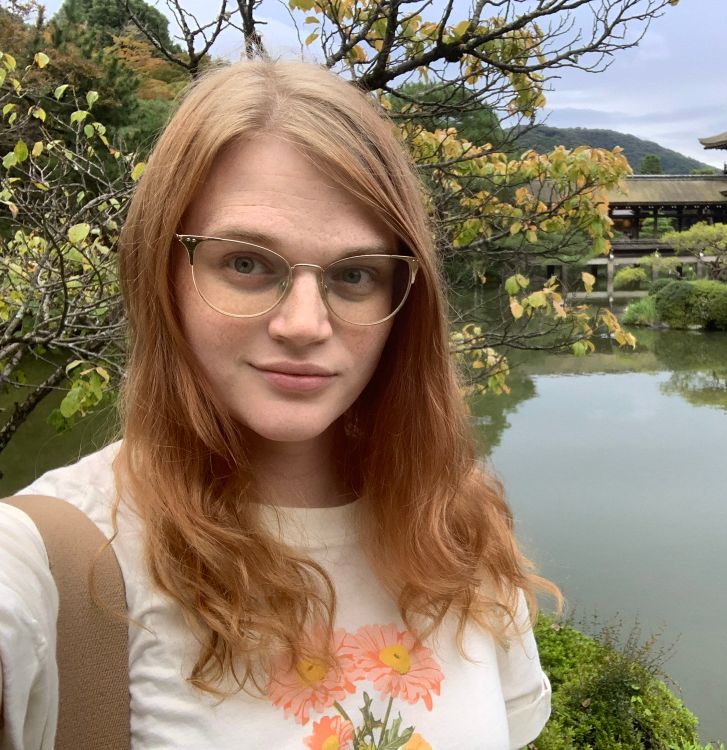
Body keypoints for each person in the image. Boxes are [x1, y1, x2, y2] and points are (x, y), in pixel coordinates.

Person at [0, 60, 558, 750]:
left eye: (355, 275)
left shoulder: (458, 524)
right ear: (162, 272)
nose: (303, 324)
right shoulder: (48, 562)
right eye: (245, 263)